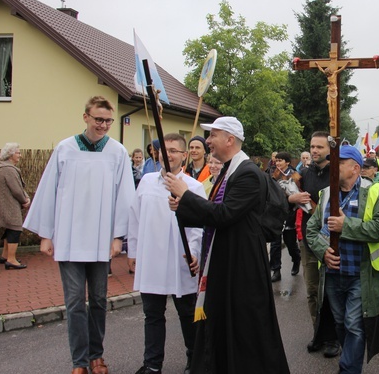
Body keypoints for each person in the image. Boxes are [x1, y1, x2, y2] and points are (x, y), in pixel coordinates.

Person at [162, 116, 289, 374]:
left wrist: (186, 195)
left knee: (245, 329)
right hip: (228, 259)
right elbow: (214, 213)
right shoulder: (230, 169)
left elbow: (224, 215)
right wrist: (183, 206)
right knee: (224, 325)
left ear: (230, 139)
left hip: (243, 267)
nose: (208, 141)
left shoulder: (247, 174)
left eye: (213, 135)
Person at [24, 95, 135, 374]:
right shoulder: (65, 149)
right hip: (70, 239)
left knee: (98, 300)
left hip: (100, 240)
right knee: (74, 301)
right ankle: (80, 361)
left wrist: (118, 236)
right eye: (99, 119)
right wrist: (46, 234)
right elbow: (48, 191)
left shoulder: (117, 152)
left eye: (108, 121)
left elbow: (124, 197)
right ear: (85, 117)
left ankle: (96, 355)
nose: (104, 125)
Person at [306, 145, 379, 374]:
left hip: (359, 275)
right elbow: (311, 230)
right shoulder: (326, 193)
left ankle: (348, 370)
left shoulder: (373, 192)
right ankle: (350, 360)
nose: (334, 166)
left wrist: (348, 226)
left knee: (354, 325)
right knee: (340, 323)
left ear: (355, 168)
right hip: (333, 275)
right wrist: (322, 252)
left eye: (340, 162)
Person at [128, 133, 204, 374]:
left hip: (180, 259)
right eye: (164, 150)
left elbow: (200, 227)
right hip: (152, 258)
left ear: (184, 156)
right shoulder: (146, 182)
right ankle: (152, 364)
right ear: (157, 154)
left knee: (187, 314)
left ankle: (195, 358)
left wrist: (194, 253)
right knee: (152, 314)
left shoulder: (193, 186)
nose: (168, 154)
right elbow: (135, 218)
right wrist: (132, 251)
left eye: (174, 150)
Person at [289, 131, 341, 357]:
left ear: (330, 149)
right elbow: (297, 203)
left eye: (319, 147)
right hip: (309, 241)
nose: (314, 151)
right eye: (312, 146)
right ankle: (318, 333)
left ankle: (334, 338)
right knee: (311, 291)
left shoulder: (338, 173)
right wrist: (292, 199)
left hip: (331, 243)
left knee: (331, 292)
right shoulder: (306, 173)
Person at [0, 142, 30, 270]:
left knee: (9, 228)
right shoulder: (8, 170)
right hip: (10, 205)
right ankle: (11, 259)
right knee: (15, 229)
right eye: (18, 153)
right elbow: (16, 189)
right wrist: (24, 200)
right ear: (10, 155)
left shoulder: (3, 168)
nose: (20, 155)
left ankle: (5, 256)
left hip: (6, 204)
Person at [269, 151, 301, 282]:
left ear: (287, 162)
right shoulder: (272, 173)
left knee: (290, 242)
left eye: (280, 160)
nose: (278, 163)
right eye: (276, 161)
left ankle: (296, 259)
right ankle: (276, 270)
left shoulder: (295, 174)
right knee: (275, 243)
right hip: (276, 212)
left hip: (290, 212)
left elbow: (300, 190)